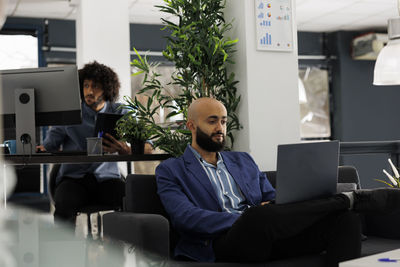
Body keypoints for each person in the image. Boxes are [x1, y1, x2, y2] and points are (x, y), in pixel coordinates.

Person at [155, 97, 400, 266]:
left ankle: (345, 204)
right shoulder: (171, 169)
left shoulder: (243, 161)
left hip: (270, 235)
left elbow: (272, 200)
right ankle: (348, 199)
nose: (220, 127)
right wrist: (243, 217)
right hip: (222, 242)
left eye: (224, 121)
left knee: (346, 220)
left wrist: (279, 206)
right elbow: (185, 218)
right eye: (212, 121)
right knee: (255, 216)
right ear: (191, 125)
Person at [41, 61, 134, 224]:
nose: (89, 91)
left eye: (95, 86)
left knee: (131, 200)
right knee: (63, 205)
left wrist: (126, 149)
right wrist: (41, 147)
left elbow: (145, 144)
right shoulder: (68, 112)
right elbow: (49, 145)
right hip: (74, 179)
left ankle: (122, 247)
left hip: (107, 178)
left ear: (107, 89)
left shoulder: (120, 112)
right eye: (85, 86)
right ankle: (63, 250)